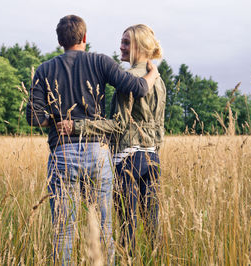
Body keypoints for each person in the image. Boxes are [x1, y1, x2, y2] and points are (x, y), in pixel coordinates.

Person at [26, 15, 160, 264]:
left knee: (62, 230)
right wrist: (153, 73)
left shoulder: (44, 69)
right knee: (103, 229)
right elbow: (139, 88)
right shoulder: (100, 62)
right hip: (97, 154)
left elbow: (33, 117)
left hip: (62, 154)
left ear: (59, 41)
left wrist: (55, 120)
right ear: (85, 38)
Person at [58, 24, 166, 255]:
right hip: (152, 157)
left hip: (128, 158)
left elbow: (118, 125)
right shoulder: (158, 79)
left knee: (128, 227)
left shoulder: (129, 80)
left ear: (140, 45)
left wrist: (76, 125)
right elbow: (158, 125)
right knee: (153, 226)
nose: (121, 46)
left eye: (127, 42)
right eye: (122, 41)